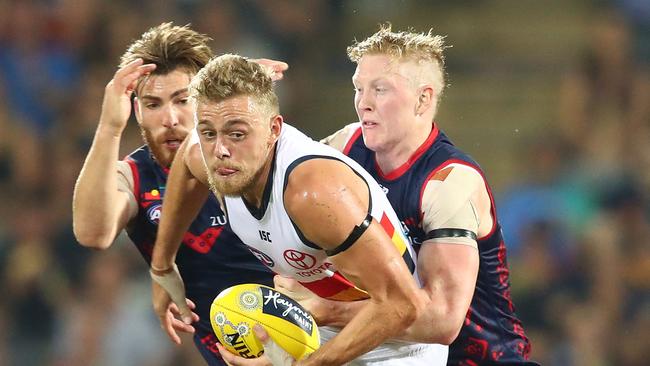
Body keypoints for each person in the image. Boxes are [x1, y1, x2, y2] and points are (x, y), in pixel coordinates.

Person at [150, 54, 449, 365]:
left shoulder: (314, 194)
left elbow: (401, 305)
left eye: (237, 134)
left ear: (274, 130)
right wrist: (162, 269)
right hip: (321, 333)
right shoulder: (218, 161)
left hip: (395, 348)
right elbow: (187, 158)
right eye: (208, 133)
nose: (221, 150)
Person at [309, 24, 535, 365]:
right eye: (358, 88)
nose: (363, 103)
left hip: (481, 358)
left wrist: (326, 311)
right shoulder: (347, 145)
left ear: (423, 99)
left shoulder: (449, 182)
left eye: (380, 90)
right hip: (395, 354)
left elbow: (443, 321)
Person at [72, 23, 286, 365]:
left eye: (183, 100)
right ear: (137, 109)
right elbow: (92, 232)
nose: (170, 118)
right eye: (153, 104)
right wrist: (110, 126)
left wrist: (244, 104)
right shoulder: (136, 175)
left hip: (307, 340)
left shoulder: (249, 155)